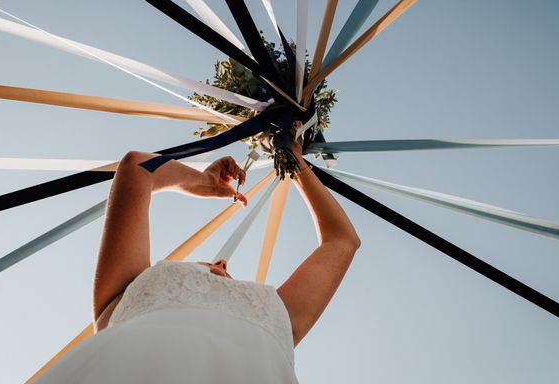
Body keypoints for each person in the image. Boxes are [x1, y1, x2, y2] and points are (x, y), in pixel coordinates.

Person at [34, 130, 360, 383]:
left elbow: (343, 241)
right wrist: (201, 181)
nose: (222, 263)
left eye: (208, 263)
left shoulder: (283, 315)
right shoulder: (124, 292)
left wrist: (292, 160)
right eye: (212, 264)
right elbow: (137, 167)